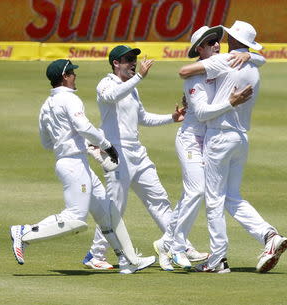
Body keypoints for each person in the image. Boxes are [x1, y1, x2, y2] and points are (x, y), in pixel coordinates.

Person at [9, 59, 155, 274]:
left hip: (69, 161)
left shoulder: (46, 106)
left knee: (108, 212)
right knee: (76, 219)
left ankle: (129, 260)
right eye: (73, 74)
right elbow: (83, 126)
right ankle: (25, 232)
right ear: (65, 76)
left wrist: (74, 144)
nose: (75, 77)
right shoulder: (70, 99)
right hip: (74, 165)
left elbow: (46, 142)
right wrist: (106, 145)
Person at [82, 45, 207, 270]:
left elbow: (143, 118)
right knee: (115, 207)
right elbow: (112, 96)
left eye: (134, 59)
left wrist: (172, 117)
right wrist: (139, 76)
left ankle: (181, 246)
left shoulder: (132, 88)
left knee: (159, 201)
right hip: (116, 154)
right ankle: (95, 254)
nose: (133, 63)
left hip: (138, 153)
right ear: (115, 64)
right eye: (128, 59)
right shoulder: (106, 83)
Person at [179, 20, 287, 273]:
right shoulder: (253, 65)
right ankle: (269, 235)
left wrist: (239, 54)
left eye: (226, 37)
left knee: (215, 200)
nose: (222, 41)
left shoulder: (226, 60)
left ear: (233, 40)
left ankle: (217, 259)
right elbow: (261, 59)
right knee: (232, 197)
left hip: (219, 136)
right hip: (241, 139)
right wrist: (248, 53)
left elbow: (184, 71)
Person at [158, 25, 259, 271]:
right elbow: (202, 114)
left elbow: (260, 59)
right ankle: (176, 248)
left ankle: (167, 242)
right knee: (196, 191)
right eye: (210, 42)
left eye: (218, 41)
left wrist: (249, 54)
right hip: (191, 138)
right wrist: (230, 102)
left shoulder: (221, 65)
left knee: (190, 194)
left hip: (210, 141)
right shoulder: (194, 77)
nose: (217, 44)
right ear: (199, 49)